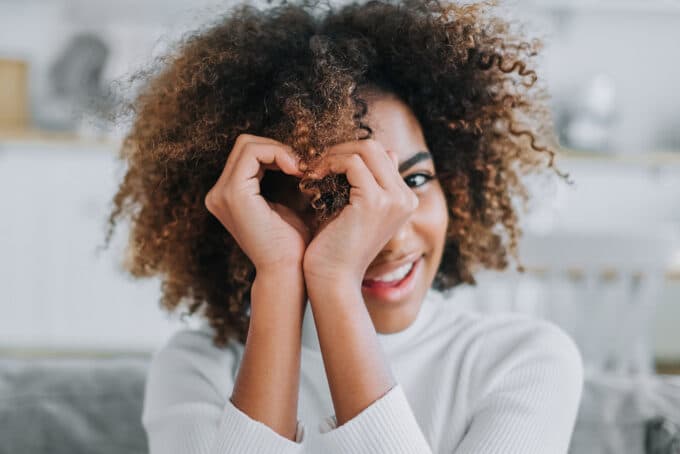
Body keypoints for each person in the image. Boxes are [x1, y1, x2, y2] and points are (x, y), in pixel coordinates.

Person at [104, 0, 584, 452]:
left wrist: (334, 284)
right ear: (260, 211)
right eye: (333, 197)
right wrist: (278, 280)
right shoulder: (195, 369)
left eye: (415, 179)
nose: (393, 233)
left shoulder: (525, 360)